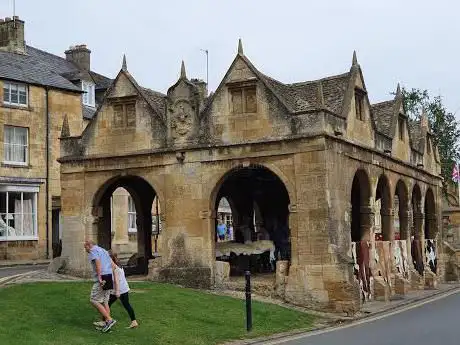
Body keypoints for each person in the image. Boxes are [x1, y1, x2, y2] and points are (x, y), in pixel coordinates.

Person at [84, 240, 117, 332]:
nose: (85, 250)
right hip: (109, 276)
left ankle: (109, 320)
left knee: (94, 300)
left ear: (89, 246)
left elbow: (98, 263)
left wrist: (99, 277)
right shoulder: (103, 250)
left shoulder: (93, 251)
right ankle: (107, 324)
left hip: (102, 278)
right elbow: (113, 265)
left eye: (85, 247)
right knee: (105, 301)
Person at [108, 252, 139, 329]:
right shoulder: (118, 265)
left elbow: (116, 280)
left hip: (119, 289)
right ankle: (134, 321)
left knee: (107, 304)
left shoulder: (114, 267)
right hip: (123, 288)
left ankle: (105, 321)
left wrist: (117, 291)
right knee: (126, 305)